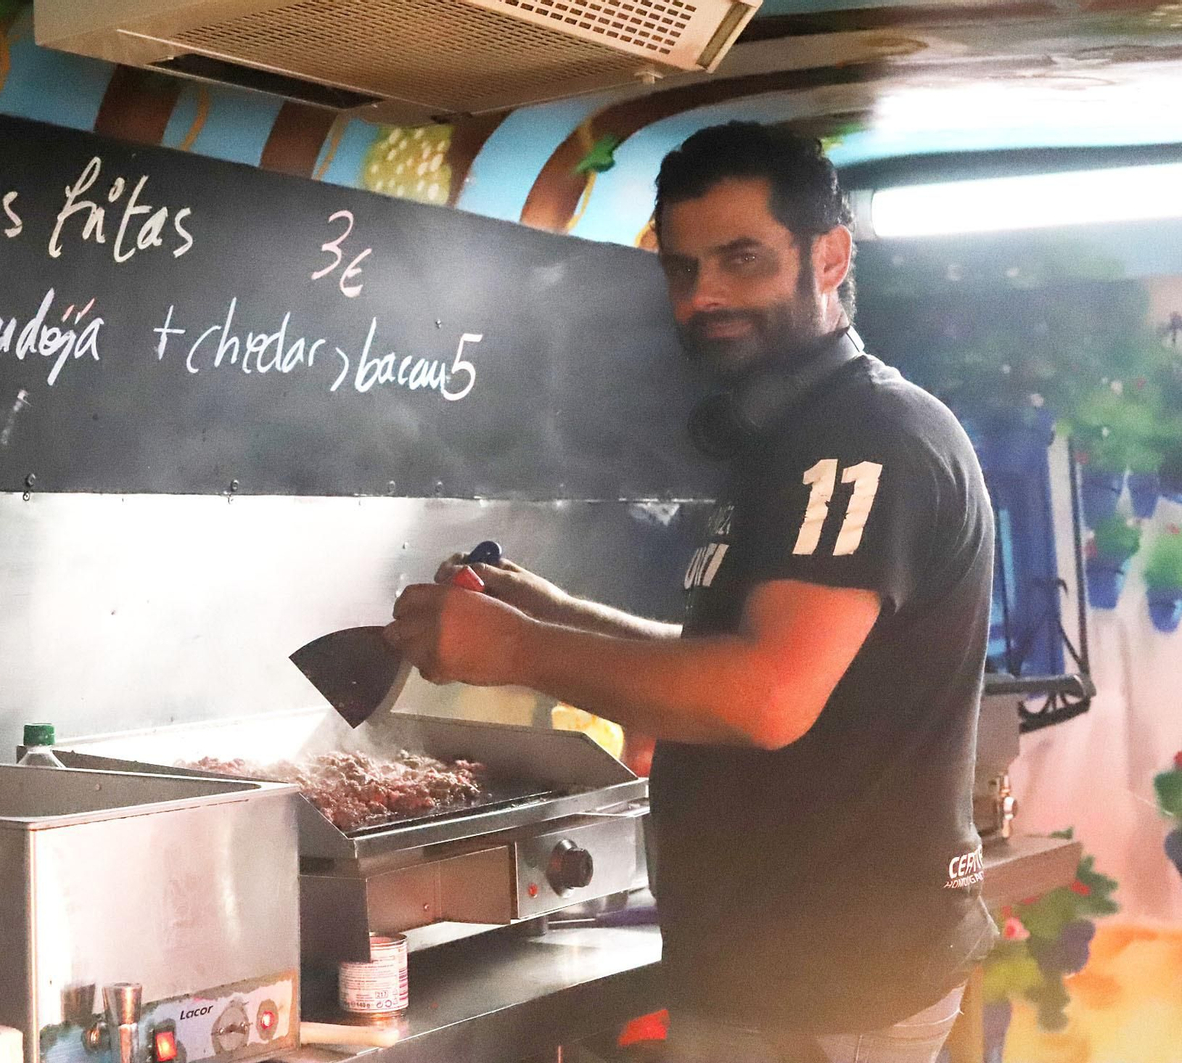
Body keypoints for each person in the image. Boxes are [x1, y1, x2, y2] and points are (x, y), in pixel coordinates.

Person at [384, 122, 997, 1063]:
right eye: (681, 268)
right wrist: (544, 609)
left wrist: (510, 649)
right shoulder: (790, 440)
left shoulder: (865, 436)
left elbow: (764, 695)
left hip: (829, 986)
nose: (704, 295)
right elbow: (727, 660)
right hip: (777, 968)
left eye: (741, 259)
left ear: (829, 256)